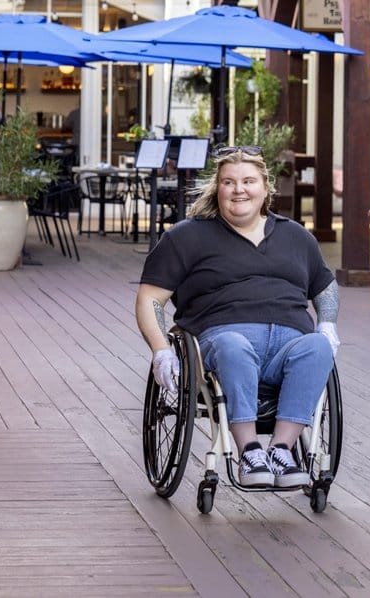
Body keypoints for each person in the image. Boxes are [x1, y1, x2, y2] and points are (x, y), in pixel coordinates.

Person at [135, 146, 341, 489]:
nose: (239, 189)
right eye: (229, 182)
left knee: (318, 347)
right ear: (218, 188)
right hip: (222, 342)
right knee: (234, 345)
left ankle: (281, 450)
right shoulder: (187, 236)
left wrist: (328, 322)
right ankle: (249, 450)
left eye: (248, 181)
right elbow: (149, 299)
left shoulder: (295, 236)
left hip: (289, 345)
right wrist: (160, 349)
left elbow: (326, 288)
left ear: (265, 187)